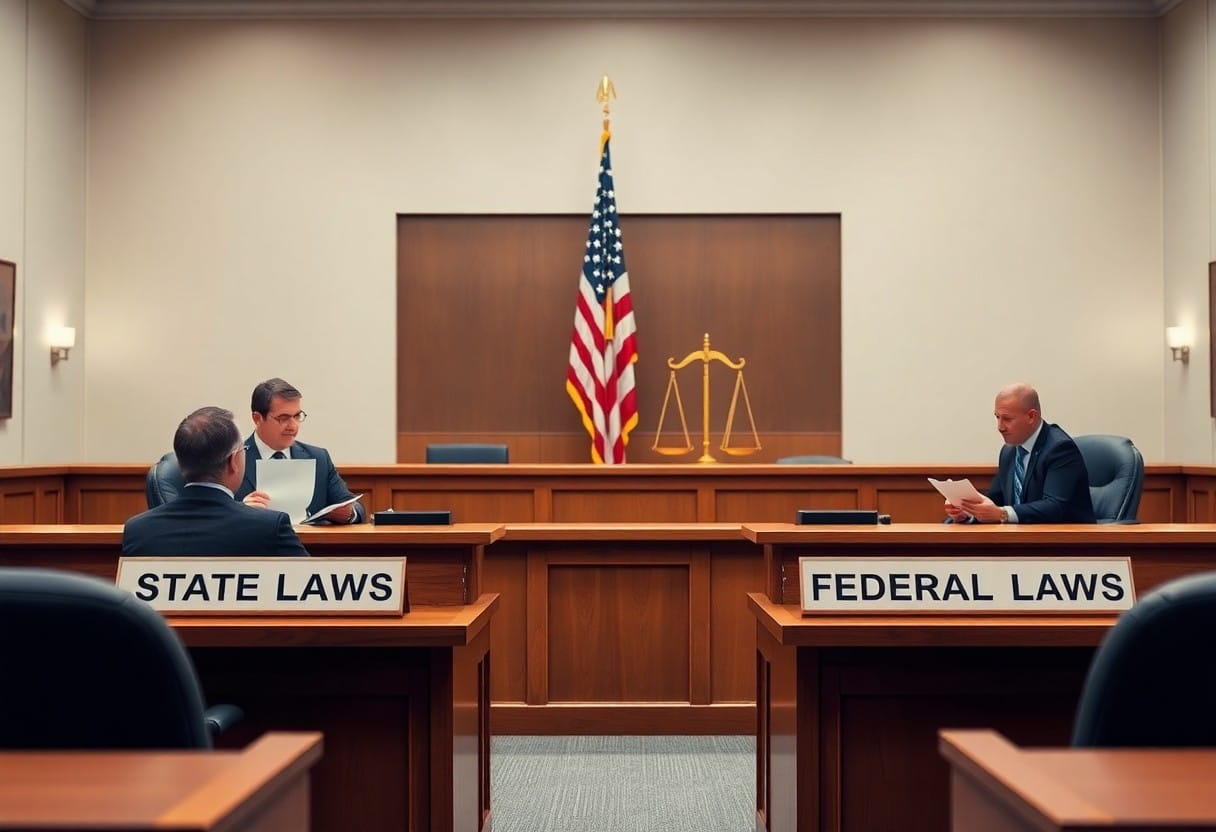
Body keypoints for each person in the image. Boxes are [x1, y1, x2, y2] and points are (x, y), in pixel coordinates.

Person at [122, 406, 308, 555]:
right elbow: (313, 587)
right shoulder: (270, 528)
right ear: (233, 461)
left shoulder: (138, 530)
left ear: (180, 463)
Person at [945, 382, 1095, 524]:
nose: (1000, 427)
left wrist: (1002, 514)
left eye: (1007, 419)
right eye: (997, 417)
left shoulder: (1060, 449)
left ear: (1031, 416)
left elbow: (1054, 506)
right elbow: (995, 500)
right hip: (1020, 538)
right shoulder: (1009, 451)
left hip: (1067, 539)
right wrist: (968, 512)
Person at [235, 378, 366, 524]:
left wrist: (349, 513)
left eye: (297, 416)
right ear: (257, 418)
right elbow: (216, 515)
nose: (293, 426)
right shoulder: (232, 460)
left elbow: (354, 506)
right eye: (283, 418)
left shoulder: (318, 458)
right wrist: (241, 511)